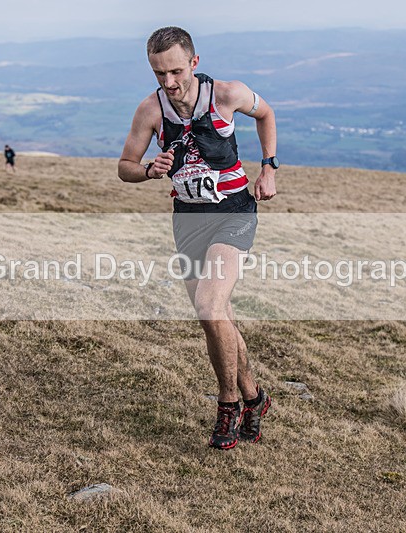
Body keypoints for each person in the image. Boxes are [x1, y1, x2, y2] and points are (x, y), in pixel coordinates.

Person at [118, 26, 277, 450]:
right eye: (158, 74)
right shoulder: (150, 111)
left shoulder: (227, 94)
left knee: (209, 306)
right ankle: (255, 397)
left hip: (233, 214)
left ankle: (228, 404)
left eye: (175, 71)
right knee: (216, 314)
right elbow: (125, 166)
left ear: (194, 62)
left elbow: (266, 114)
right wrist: (149, 170)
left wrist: (269, 167)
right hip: (188, 221)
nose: (168, 83)